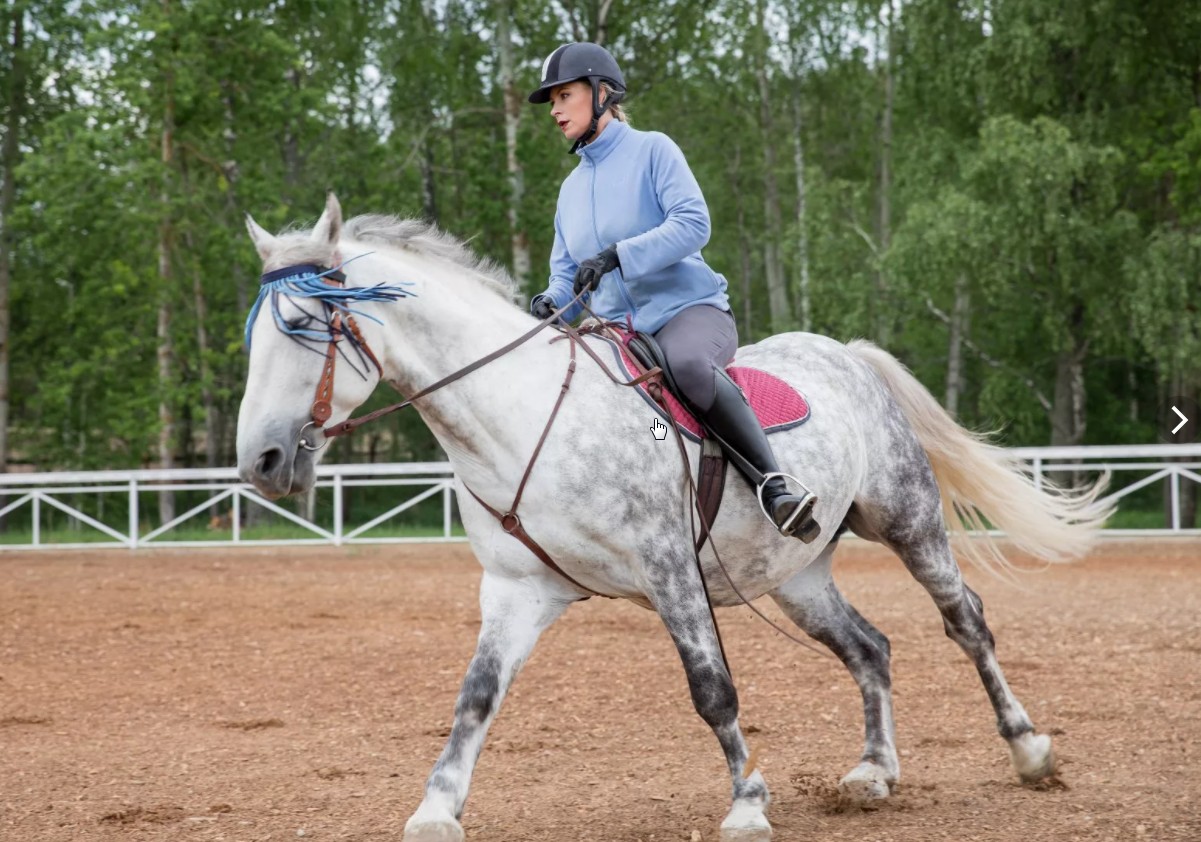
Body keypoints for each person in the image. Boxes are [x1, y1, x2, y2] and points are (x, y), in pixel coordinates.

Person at [527, 42, 818, 541]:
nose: (554, 110)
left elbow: (693, 224)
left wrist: (619, 254)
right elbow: (567, 276)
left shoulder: (653, 150)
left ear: (601, 94)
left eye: (564, 96)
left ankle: (772, 484)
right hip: (620, 333)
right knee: (598, 404)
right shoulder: (569, 191)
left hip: (689, 313)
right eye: (551, 101)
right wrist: (551, 302)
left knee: (685, 367)